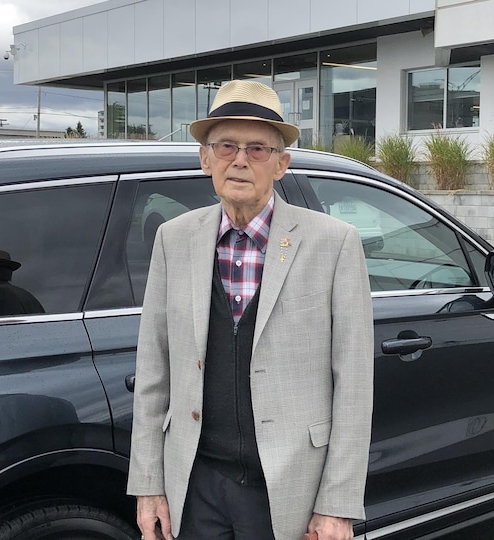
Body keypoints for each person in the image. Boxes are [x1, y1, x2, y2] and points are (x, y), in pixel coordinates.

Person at [128, 80, 374, 540]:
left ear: (281, 164)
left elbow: (355, 386)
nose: (239, 160)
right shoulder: (174, 239)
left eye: (258, 149)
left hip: (288, 488)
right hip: (196, 483)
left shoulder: (334, 244)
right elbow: (153, 369)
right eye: (226, 146)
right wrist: (148, 484)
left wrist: (337, 505)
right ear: (206, 158)